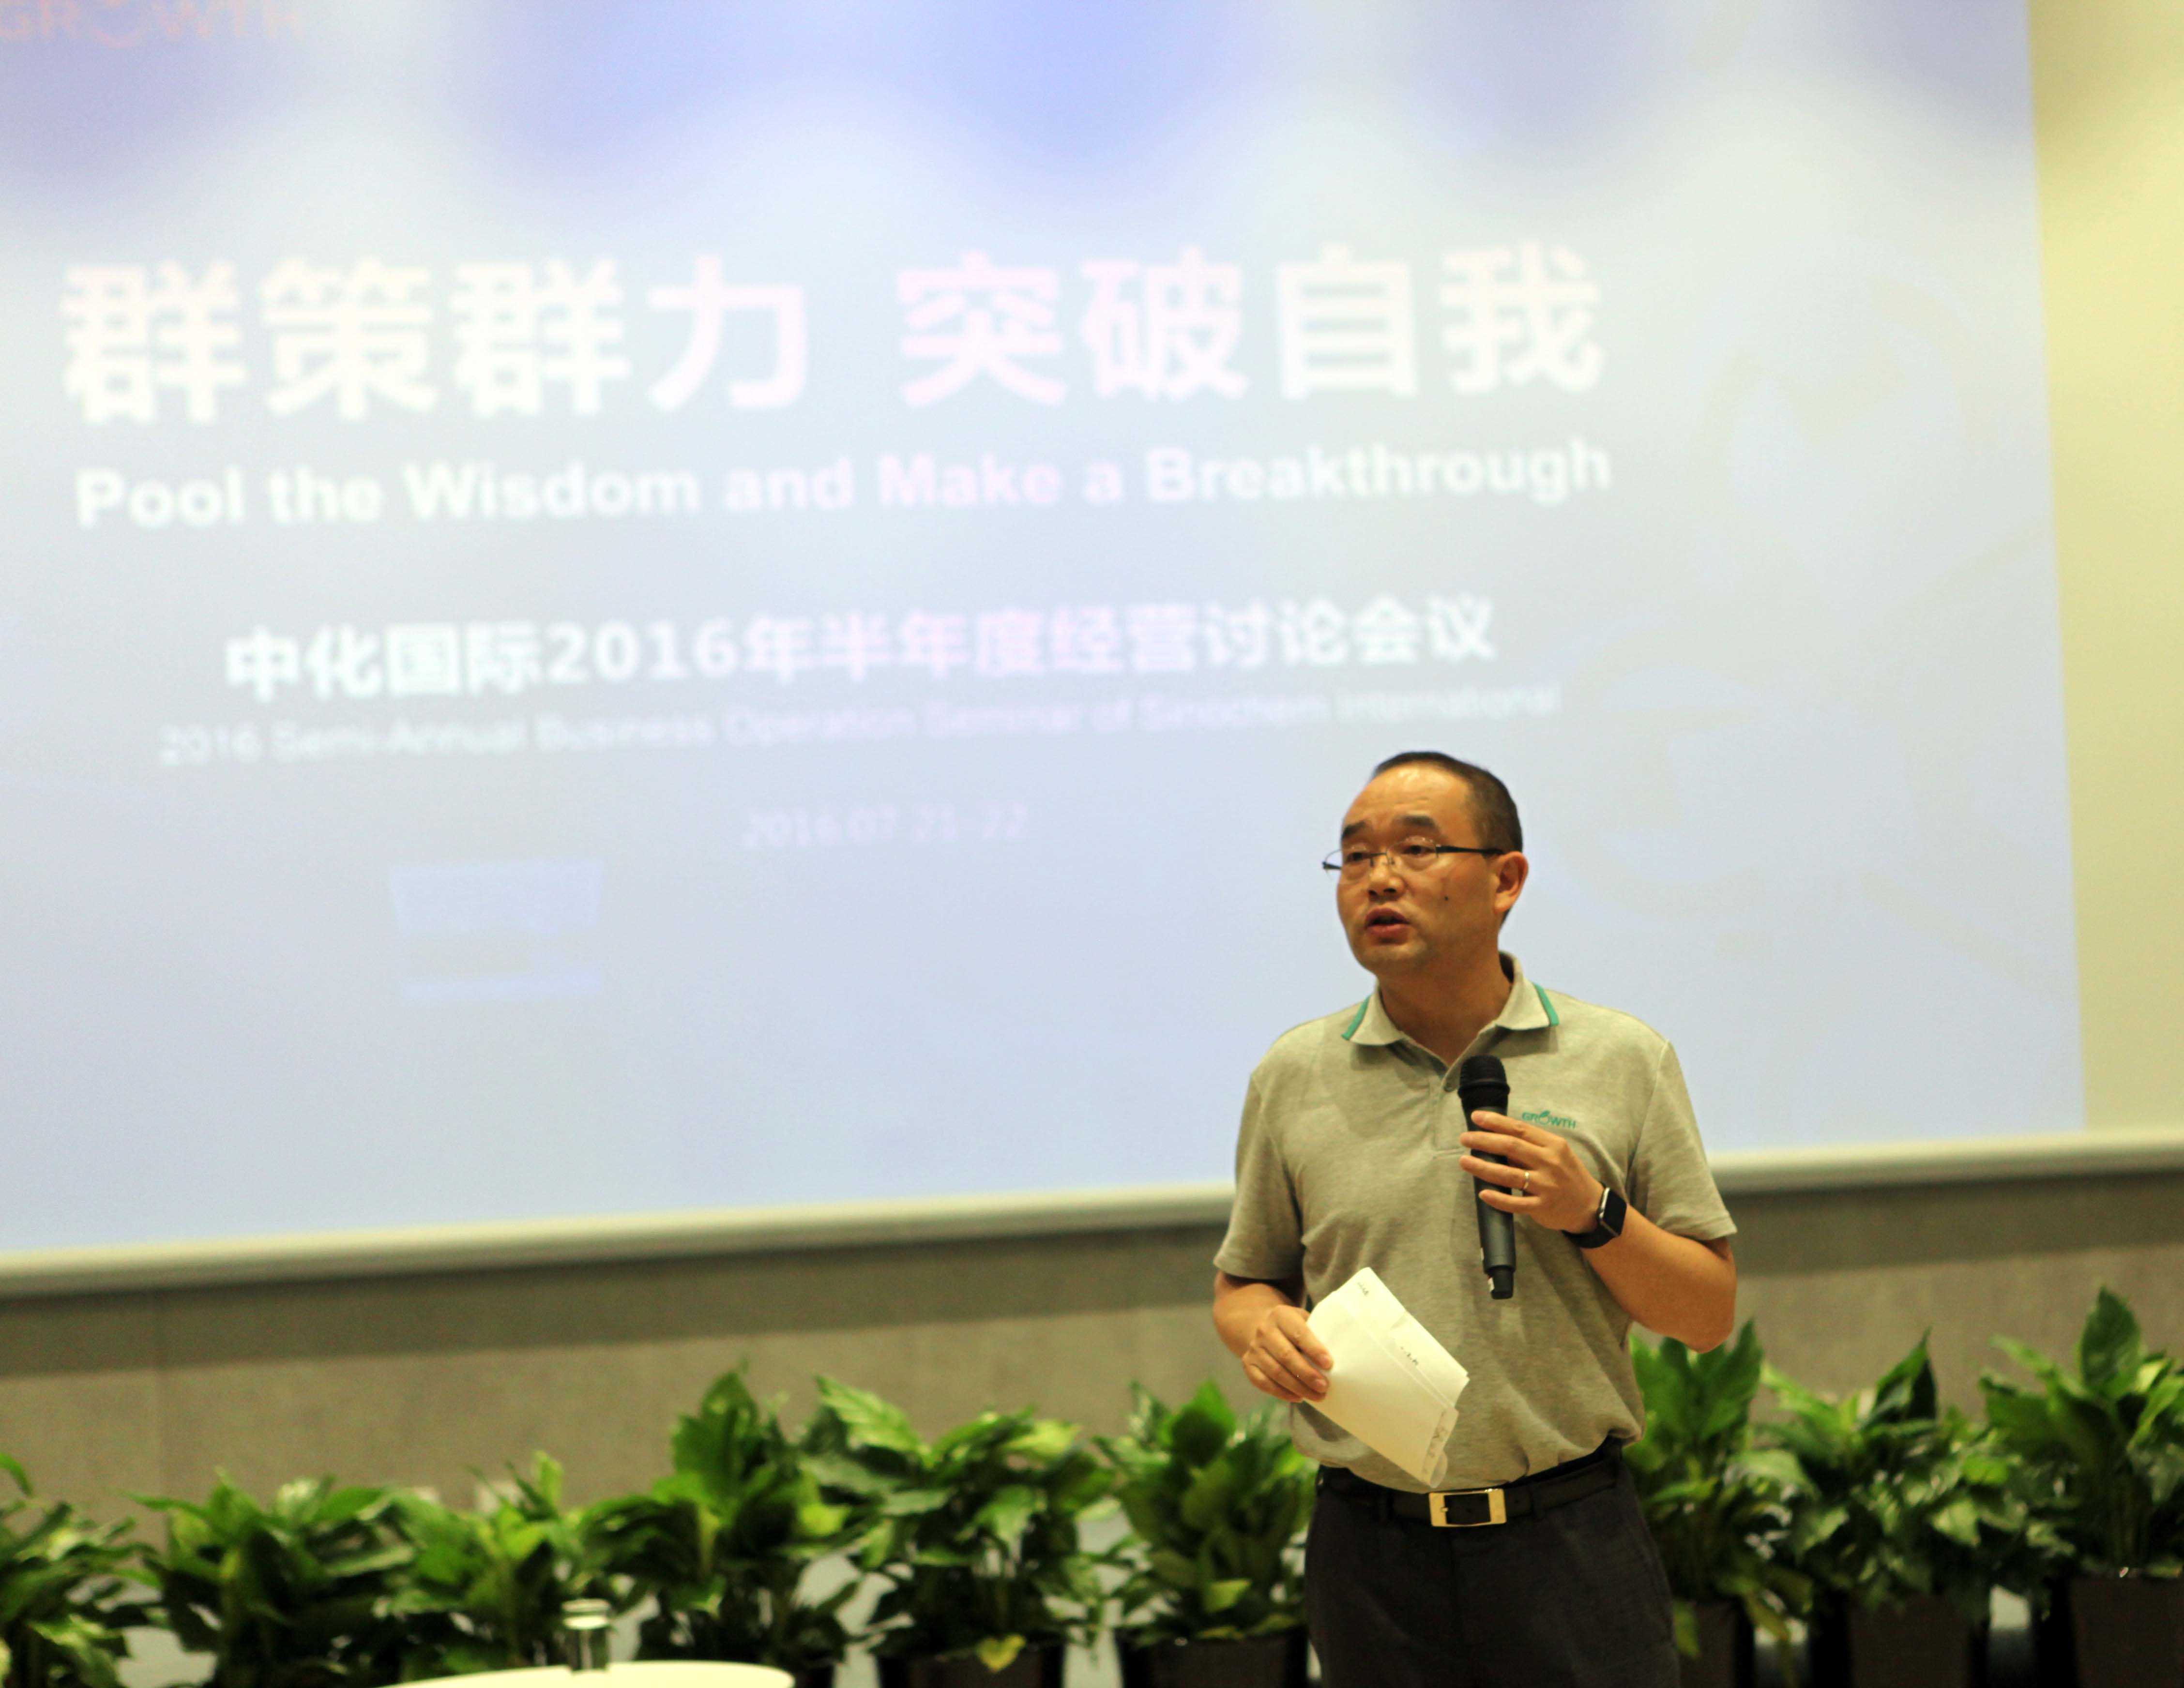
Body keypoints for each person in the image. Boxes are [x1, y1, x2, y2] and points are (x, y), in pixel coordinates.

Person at [1212, 751, 1737, 1688]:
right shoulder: (1295, 1073)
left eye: (1417, 849)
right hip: (1371, 1552)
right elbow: (1247, 1280)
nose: (1379, 878)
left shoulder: (1622, 1057)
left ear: (1506, 879)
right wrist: (1263, 1331)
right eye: (1356, 856)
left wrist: (1592, 1212)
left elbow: (1705, 1315)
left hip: (1570, 1543)